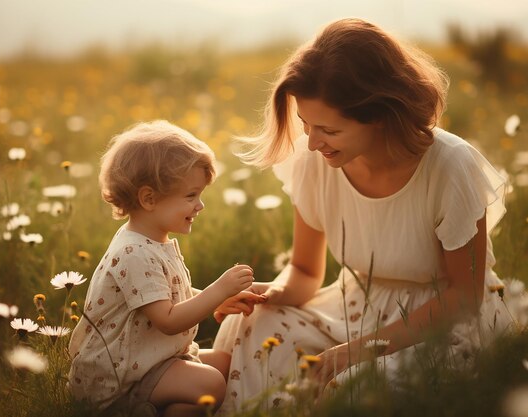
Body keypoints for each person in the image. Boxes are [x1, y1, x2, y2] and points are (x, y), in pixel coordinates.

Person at [212, 17, 511, 412]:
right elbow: (303, 271)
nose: (313, 142)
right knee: (248, 326)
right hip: (354, 309)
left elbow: (464, 297)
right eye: (305, 124)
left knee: (353, 388)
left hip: (441, 324)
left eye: (329, 131)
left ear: (380, 114)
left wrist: (358, 351)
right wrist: (270, 294)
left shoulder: (449, 166)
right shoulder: (314, 160)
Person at [68, 120, 266, 417]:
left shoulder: (152, 241)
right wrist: (218, 289)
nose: (200, 206)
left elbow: (163, 296)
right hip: (122, 375)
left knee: (225, 363)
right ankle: (130, 407)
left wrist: (221, 300)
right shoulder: (134, 252)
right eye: (190, 196)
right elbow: (168, 320)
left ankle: (156, 410)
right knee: (211, 382)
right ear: (149, 199)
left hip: (153, 357)